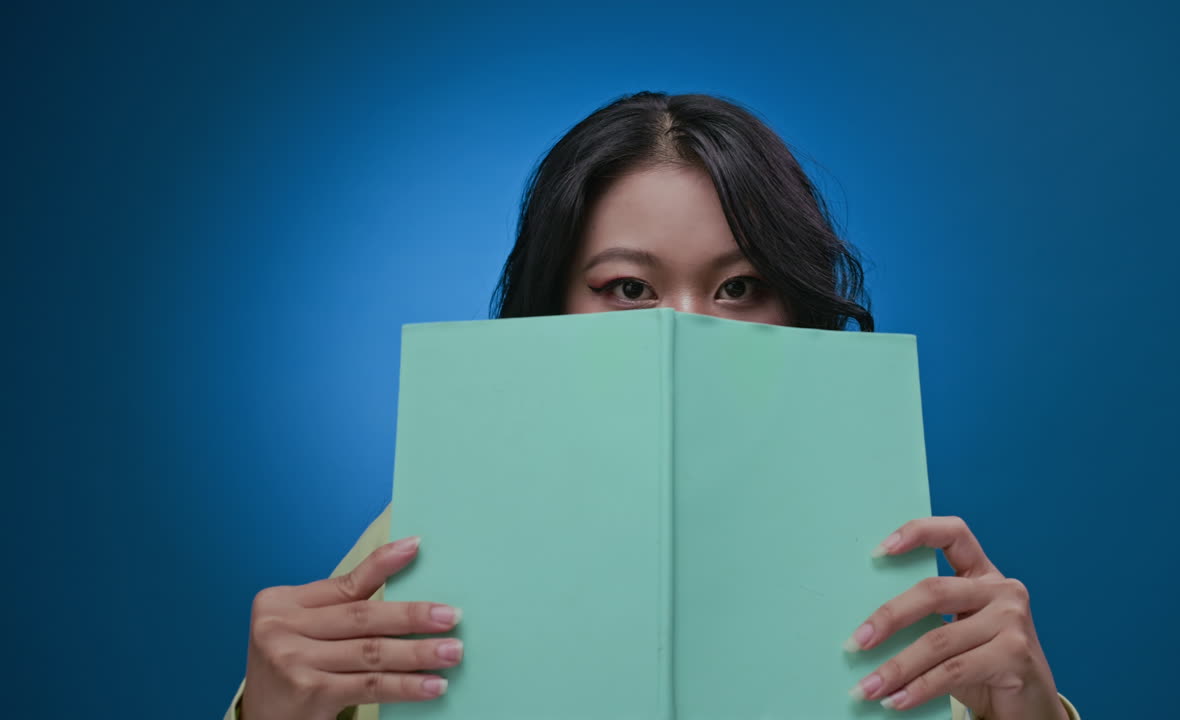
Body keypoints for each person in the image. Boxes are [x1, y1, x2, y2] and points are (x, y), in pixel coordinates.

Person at [226, 92, 1079, 720]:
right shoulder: (414, 548)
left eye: (739, 286)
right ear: (553, 305)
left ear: (797, 306)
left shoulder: (886, 563)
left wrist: (1033, 714)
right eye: (628, 287)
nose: (683, 334)